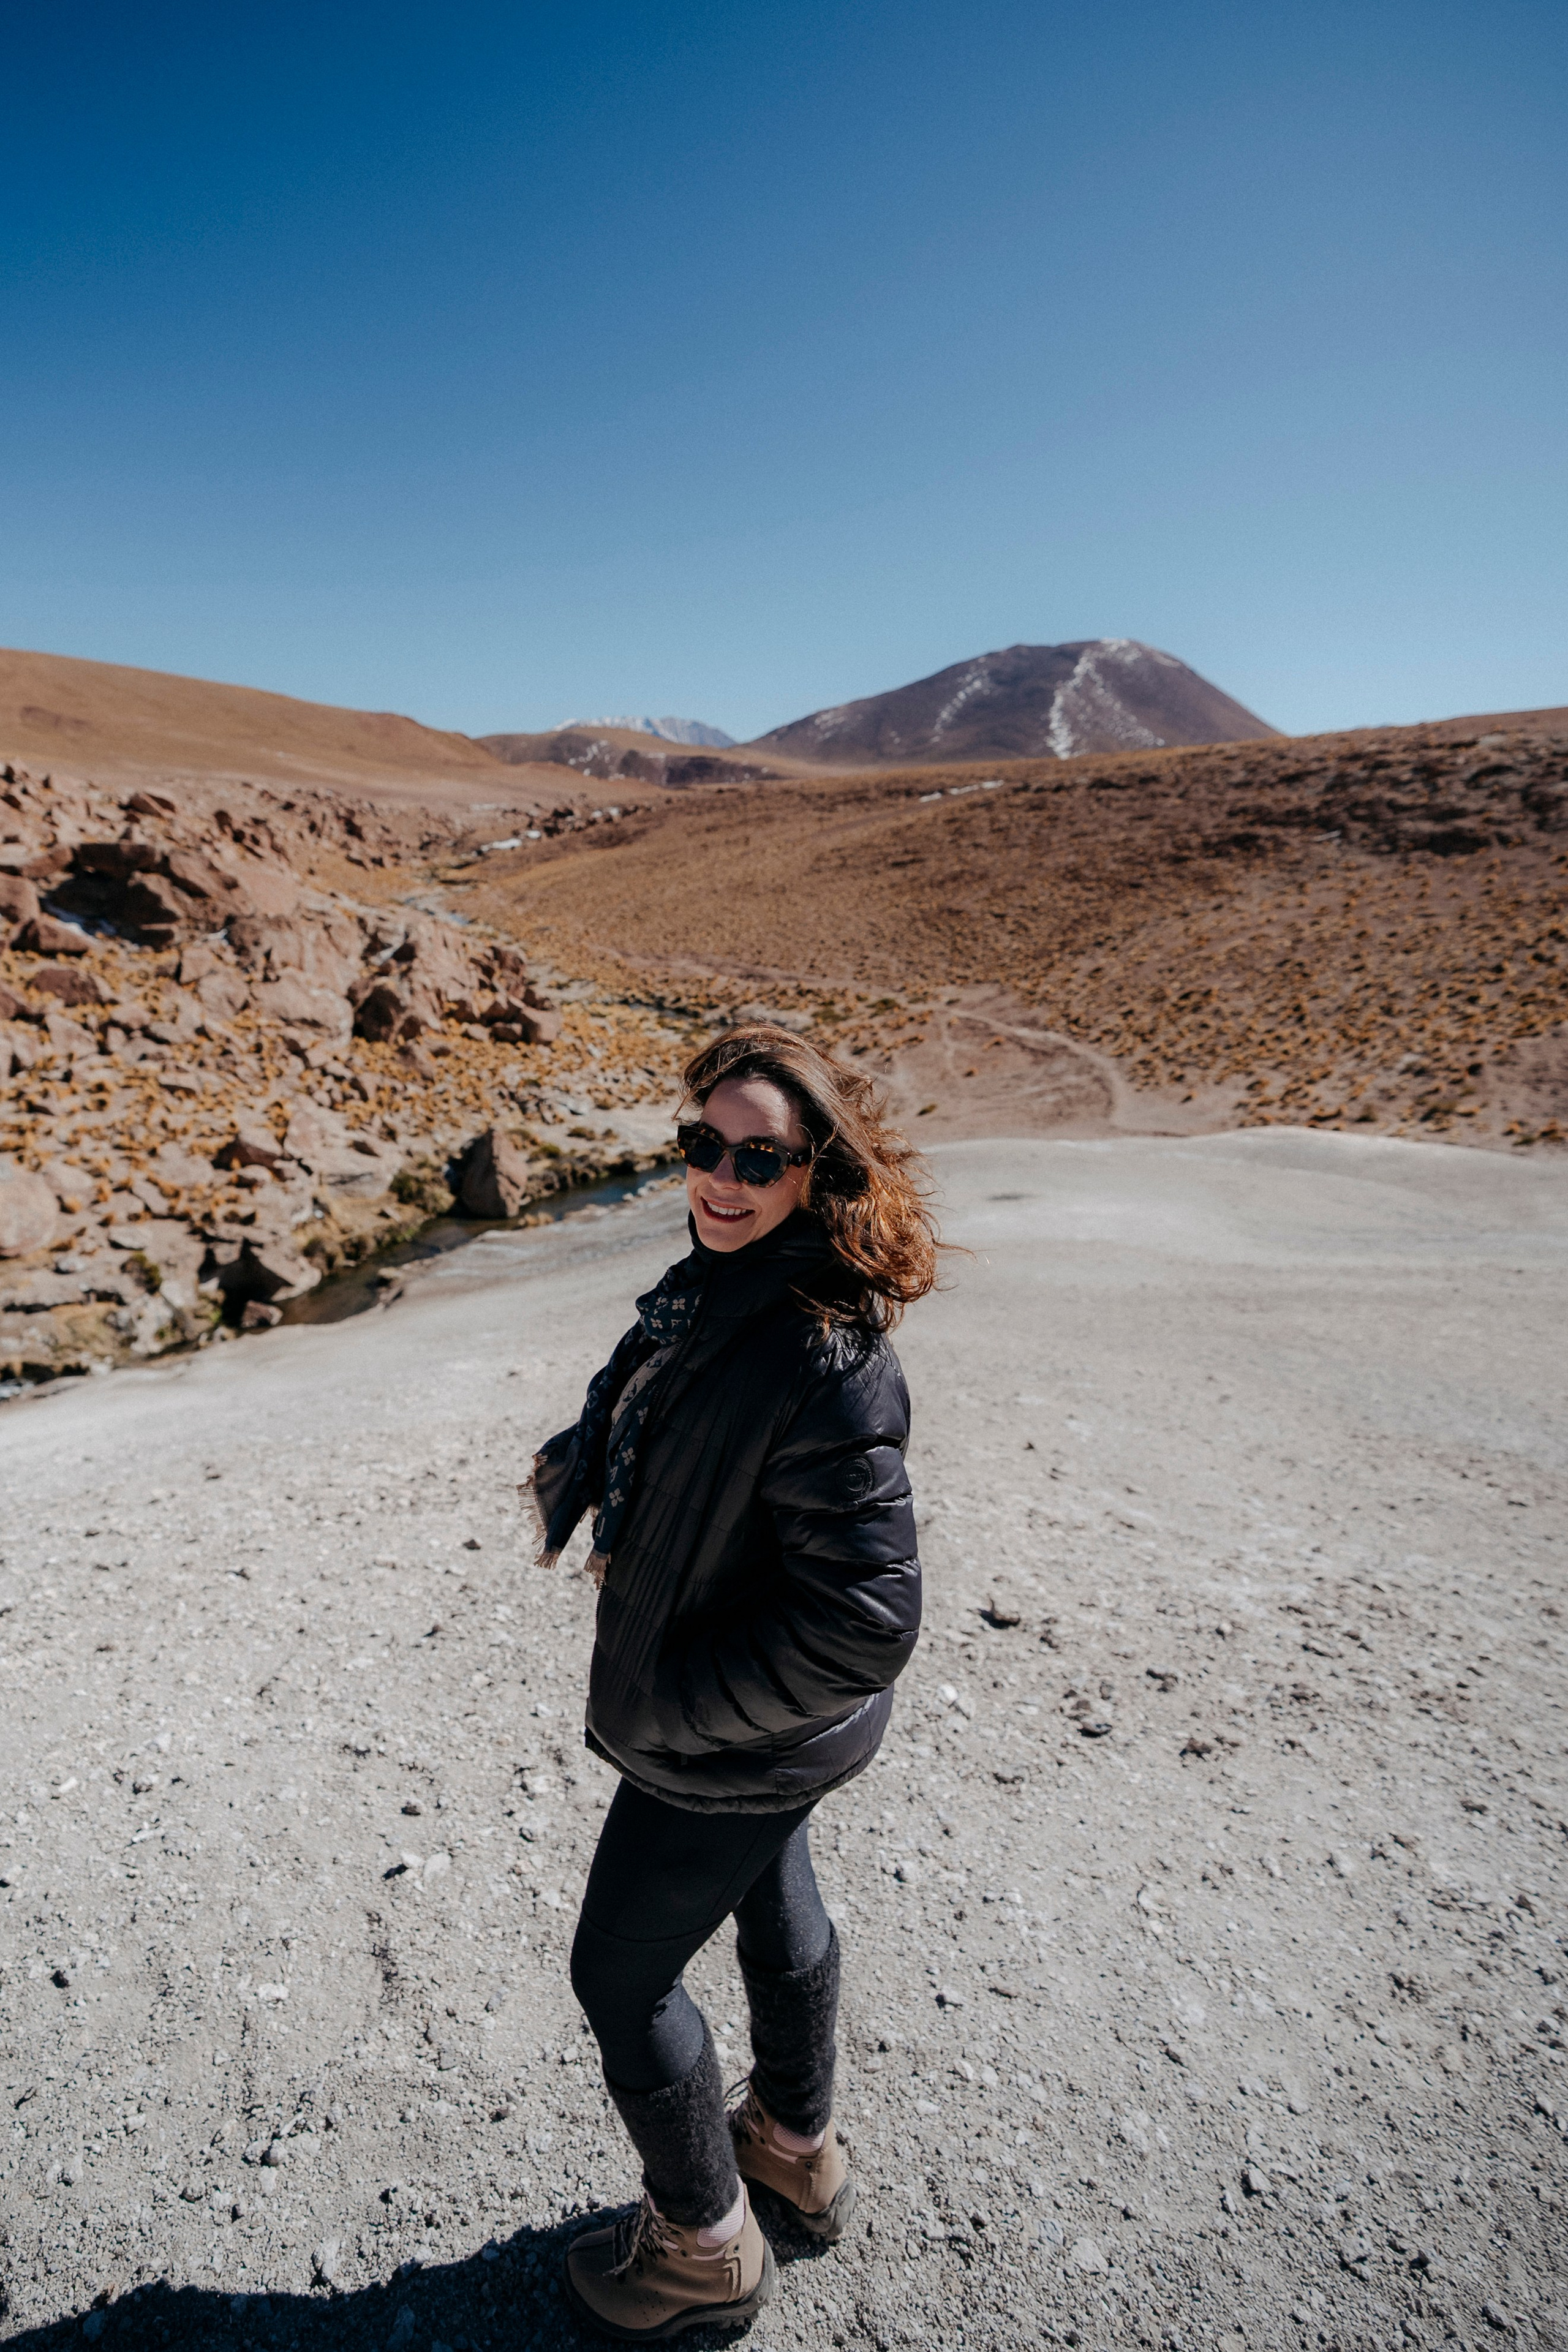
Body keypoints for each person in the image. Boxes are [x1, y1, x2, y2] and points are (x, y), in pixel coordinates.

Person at [528, 1023, 936, 2339]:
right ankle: (793, 2151)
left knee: (618, 1978)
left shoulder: (820, 1351)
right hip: (772, 1740)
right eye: (701, 1145)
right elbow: (679, 1409)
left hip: (732, 1738)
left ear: (815, 1168)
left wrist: (682, 1709)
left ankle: (703, 2248)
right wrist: (590, 1461)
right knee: (774, 1902)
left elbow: (864, 1622)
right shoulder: (735, 1278)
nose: (719, 1176)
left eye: (757, 1155)